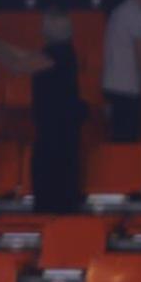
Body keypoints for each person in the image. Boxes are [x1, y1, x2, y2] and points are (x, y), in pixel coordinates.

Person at [32, 11, 86, 213]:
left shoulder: (53, 56)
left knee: (51, 188)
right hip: (62, 133)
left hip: (51, 134)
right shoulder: (67, 54)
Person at [103, 0, 141, 143]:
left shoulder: (121, 10)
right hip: (126, 86)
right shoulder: (135, 14)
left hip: (115, 83)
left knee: (119, 136)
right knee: (127, 138)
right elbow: (140, 51)